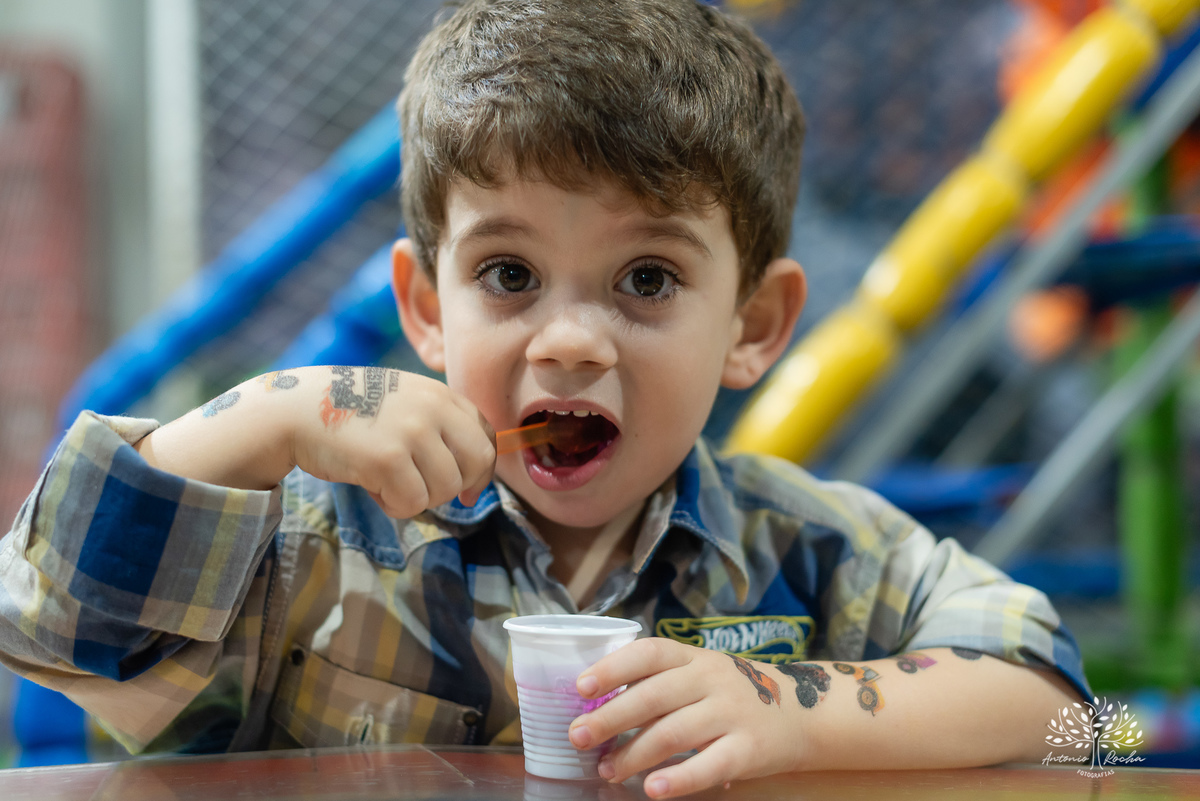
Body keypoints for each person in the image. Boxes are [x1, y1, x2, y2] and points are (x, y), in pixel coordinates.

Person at [0, 0, 1090, 797]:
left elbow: (1089, 727)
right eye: (509, 276)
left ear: (753, 326)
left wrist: (789, 711)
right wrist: (264, 413)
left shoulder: (811, 550)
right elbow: (45, 629)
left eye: (648, 280)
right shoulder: (306, 552)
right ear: (426, 310)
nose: (568, 341)